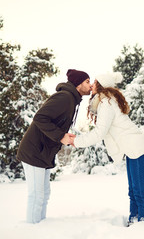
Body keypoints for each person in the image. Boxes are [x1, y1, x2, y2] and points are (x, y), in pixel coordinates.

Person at [70, 72, 144, 225]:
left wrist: (78, 141)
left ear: (101, 85)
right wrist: (78, 139)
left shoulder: (106, 103)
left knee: (139, 192)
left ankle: (143, 225)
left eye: (94, 82)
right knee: (133, 192)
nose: (92, 85)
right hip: (132, 150)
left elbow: (99, 133)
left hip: (138, 148)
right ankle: (133, 221)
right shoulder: (105, 102)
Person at [16, 69, 91, 224]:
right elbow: (40, 117)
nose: (90, 86)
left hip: (44, 153)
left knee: (44, 194)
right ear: (78, 84)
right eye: (87, 82)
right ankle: (31, 230)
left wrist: (64, 136)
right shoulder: (64, 97)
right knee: (36, 195)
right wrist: (61, 136)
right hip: (34, 151)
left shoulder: (72, 100)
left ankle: (40, 226)